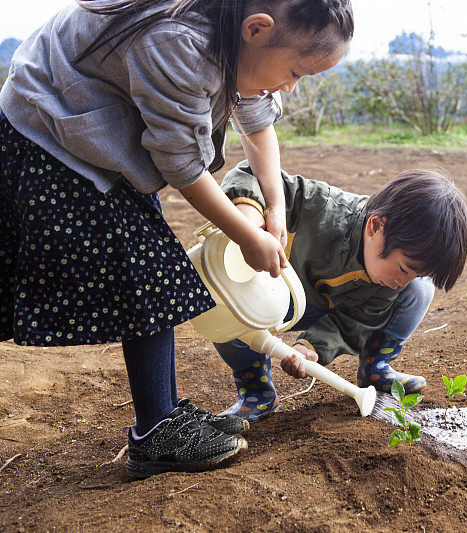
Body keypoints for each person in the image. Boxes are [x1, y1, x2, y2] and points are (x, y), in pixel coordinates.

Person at [0, 0, 354, 477]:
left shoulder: (240, 40)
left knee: (147, 270)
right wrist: (244, 233)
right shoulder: (177, 42)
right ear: (257, 29)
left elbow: (257, 121)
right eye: (296, 71)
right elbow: (181, 163)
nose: (290, 86)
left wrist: (276, 205)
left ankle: (159, 419)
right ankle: (157, 430)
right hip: (51, 132)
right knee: (151, 274)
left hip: (99, 138)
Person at [213, 161, 467, 422]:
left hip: (324, 308)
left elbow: (354, 323)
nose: (402, 282)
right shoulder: (316, 205)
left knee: (420, 290)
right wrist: (250, 224)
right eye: (404, 268)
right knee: (225, 307)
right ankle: (257, 392)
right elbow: (248, 171)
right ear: (376, 226)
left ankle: (375, 368)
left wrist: (310, 347)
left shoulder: (391, 283)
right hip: (271, 294)